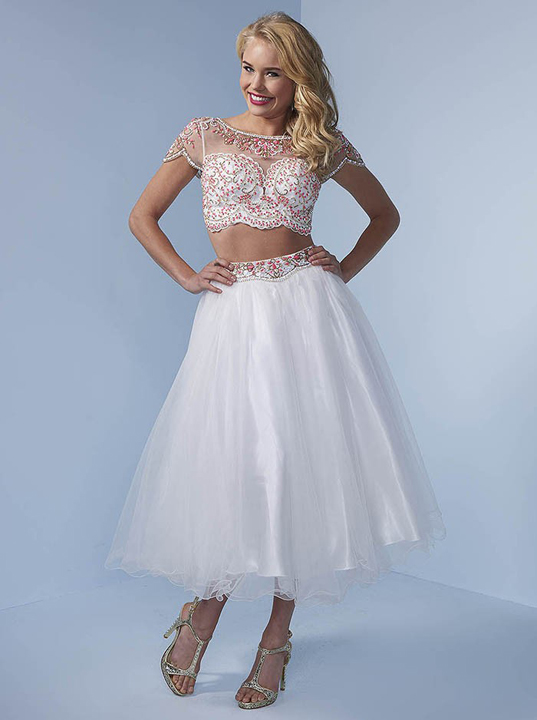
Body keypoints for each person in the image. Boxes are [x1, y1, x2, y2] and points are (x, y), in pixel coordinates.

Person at [104, 10, 447, 710]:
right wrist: (186, 275)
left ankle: (276, 637)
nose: (256, 84)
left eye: (273, 72)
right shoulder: (206, 135)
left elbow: (385, 215)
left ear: (300, 79)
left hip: (306, 312)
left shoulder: (319, 143)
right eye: (248, 68)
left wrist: (340, 269)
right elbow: (143, 215)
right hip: (234, 317)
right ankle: (201, 617)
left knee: (301, 472)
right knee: (236, 469)